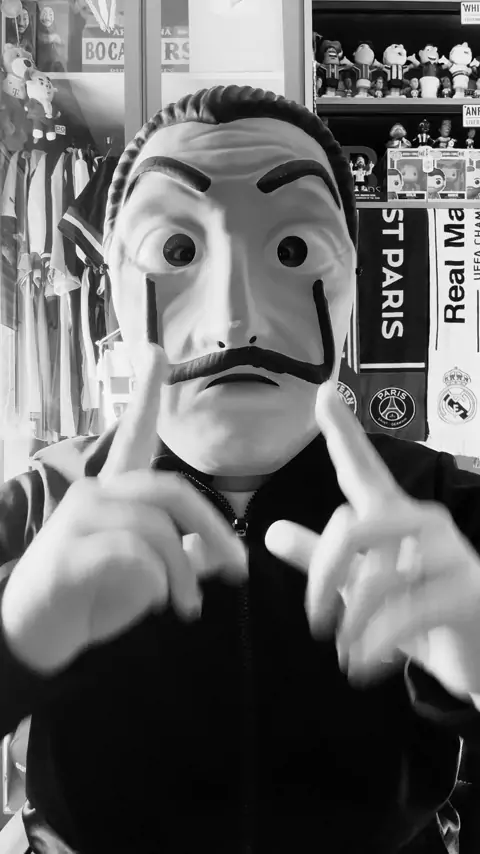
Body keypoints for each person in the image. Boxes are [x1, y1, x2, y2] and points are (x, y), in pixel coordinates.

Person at [1, 85, 480, 854]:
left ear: (353, 280)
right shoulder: (39, 507)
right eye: (176, 251)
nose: (235, 318)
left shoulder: (439, 511)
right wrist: (13, 642)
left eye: (293, 251)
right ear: (114, 286)